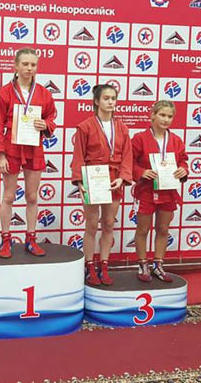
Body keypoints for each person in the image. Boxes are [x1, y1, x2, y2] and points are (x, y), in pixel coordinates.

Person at [0, 48, 57, 258]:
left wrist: (46, 124)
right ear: (16, 66)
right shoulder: (4, 92)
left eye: (33, 64)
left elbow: (51, 117)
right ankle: (6, 240)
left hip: (34, 147)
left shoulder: (44, 93)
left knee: (32, 196)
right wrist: (0, 155)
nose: (29, 68)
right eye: (25, 64)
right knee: (9, 196)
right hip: (11, 148)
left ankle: (31, 239)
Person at [71, 84, 133, 285]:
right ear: (97, 101)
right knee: (91, 224)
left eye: (113, 98)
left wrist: (122, 177)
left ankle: (104, 265)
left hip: (114, 179)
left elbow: (127, 156)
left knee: (108, 223)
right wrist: (79, 181)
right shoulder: (85, 127)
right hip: (92, 178)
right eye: (106, 98)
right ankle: (89, 265)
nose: (110, 102)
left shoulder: (122, 128)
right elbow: (78, 155)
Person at [131, 101, 188, 283]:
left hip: (168, 191)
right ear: (152, 115)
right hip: (146, 191)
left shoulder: (176, 140)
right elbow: (129, 161)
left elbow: (183, 161)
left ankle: (158, 264)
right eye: (162, 115)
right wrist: (141, 172)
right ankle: (142, 264)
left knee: (163, 229)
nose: (166, 119)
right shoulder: (139, 138)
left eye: (170, 116)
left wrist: (183, 170)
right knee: (143, 229)